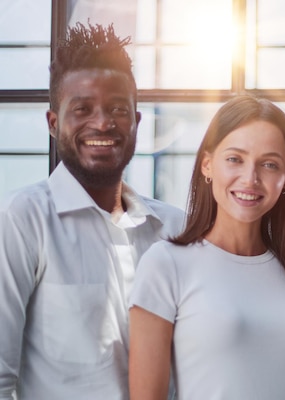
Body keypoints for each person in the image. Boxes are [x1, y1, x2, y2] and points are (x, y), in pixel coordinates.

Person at [0, 22, 184, 400]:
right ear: (54, 124)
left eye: (117, 109)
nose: (102, 122)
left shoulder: (174, 228)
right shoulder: (21, 219)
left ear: (136, 121)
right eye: (82, 109)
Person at [128, 95, 285, 400]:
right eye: (235, 159)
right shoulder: (166, 264)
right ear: (207, 165)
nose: (251, 178)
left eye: (270, 164)